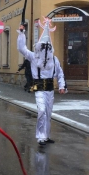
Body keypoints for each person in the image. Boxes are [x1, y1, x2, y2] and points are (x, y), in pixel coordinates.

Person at [17, 17, 67, 146]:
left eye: (47, 48)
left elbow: (60, 73)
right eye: (43, 48)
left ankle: (46, 135)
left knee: (48, 112)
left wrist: (61, 86)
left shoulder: (54, 60)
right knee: (42, 111)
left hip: (49, 88)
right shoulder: (34, 57)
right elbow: (22, 48)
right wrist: (22, 33)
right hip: (38, 87)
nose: (45, 51)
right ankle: (40, 137)